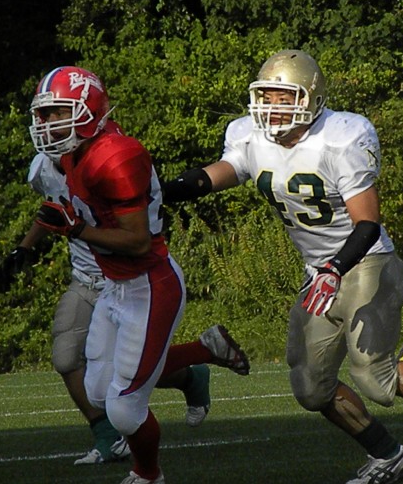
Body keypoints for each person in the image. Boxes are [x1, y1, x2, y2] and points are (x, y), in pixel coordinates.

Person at [159, 50, 403, 484]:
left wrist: (335, 267)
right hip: (319, 272)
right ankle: (389, 455)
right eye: (267, 97)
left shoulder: (341, 137)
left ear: (311, 98)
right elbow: (213, 176)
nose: (273, 108)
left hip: (366, 262)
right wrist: (157, 191)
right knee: (311, 388)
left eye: (285, 98)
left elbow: (367, 224)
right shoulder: (249, 137)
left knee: (376, 381)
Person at [28, 66, 250, 484]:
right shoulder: (74, 153)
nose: (49, 124)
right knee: (98, 391)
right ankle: (206, 350)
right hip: (115, 285)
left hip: (149, 285)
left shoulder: (114, 156)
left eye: (58, 113)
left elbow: (137, 242)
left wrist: (77, 229)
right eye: (45, 114)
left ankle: (148, 474)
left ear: (88, 109)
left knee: (125, 409)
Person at [3, 145, 213, 467]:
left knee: (125, 369)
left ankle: (190, 375)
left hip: (124, 278)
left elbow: (134, 230)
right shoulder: (43, 168)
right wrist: (24, 246)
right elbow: (53, 208)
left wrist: (79, 229)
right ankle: (107, 436)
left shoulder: (107, 163)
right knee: (67, 356)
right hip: (85, 278)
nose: (52, 130)